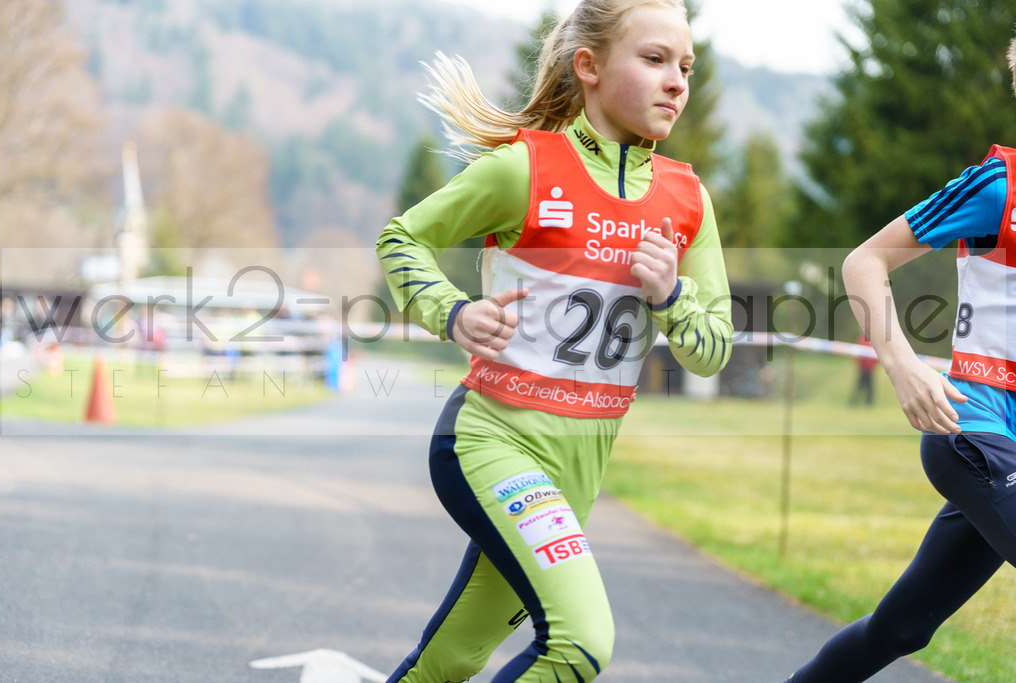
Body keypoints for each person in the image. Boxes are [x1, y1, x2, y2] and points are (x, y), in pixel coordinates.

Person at [375, 1, 732, 680]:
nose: (678, 82)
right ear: (590, 67)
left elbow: (711, 350)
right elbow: (403, 238)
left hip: (577, 472)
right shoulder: (525, 169)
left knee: (453, 656)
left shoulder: (687, 201)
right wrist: (453, 312)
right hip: (490, 441)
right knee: (581, 642)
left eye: (686, 66)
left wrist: (673, 296)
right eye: (654, 60)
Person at [784, 31, 1016, 683]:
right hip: (974, 424)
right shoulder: (1000, 184)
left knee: (903, 627)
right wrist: (903, 362)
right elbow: (865, 261)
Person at [850, 335, 877, 406]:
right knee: (860, 386)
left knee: (868, 387)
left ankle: (868, 402)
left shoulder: (873, 341)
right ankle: (854, 401)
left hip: (869, 369)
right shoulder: (862, 340)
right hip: (863, 369)